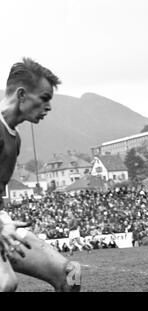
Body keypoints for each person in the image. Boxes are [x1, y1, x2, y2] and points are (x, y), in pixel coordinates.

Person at [0, 58, 81, 292]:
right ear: (22, 94)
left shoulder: (13, 137)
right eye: (44, 98)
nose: (49, 107)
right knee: (6, 283)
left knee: (70, 275)